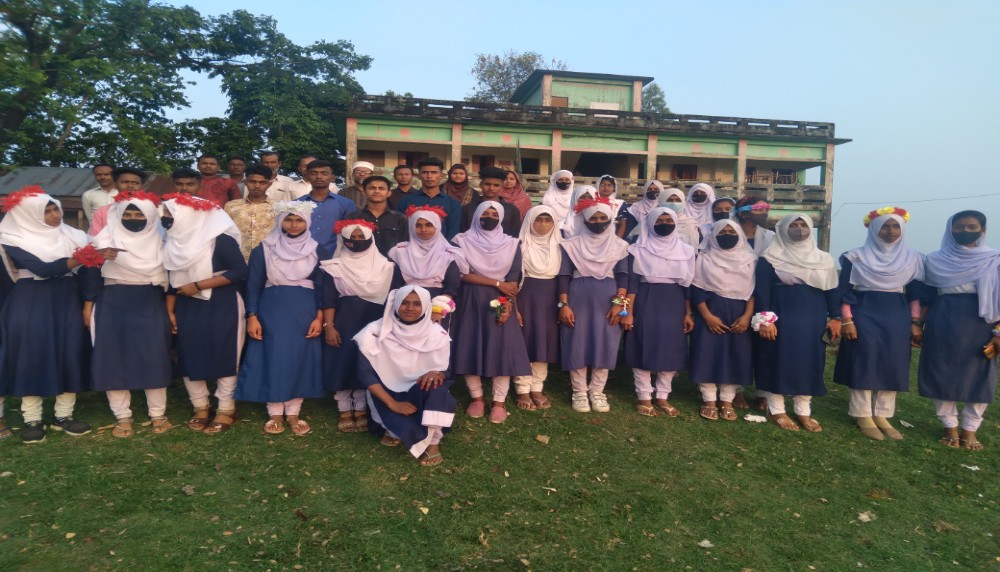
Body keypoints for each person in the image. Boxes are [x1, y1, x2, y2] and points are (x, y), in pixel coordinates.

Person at [0, 186, 97, 443]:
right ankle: (32, 418)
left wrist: (88, 302)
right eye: (47, 211)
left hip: (67, 297)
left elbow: (90, 271)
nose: (55, 215)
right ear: (27, 214)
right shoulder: (11, 237)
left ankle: (64, 415)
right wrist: (84, 257)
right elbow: (42, 269)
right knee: (31, 354)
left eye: (56, 209)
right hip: (30, 298)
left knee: (70, 350)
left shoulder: (74, 235)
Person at [834, 207, 924, 441]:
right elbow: (845, 292)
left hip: (897, 312)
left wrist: (915, 322)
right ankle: (862, 414)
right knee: (864, 360)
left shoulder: (913, 258)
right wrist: (847, 320)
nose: (890, 231)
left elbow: (915, 293)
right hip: (863, 310)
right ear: (874, 229)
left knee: (892, 362)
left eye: (895, 226)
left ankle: (882, 414)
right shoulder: (855, 257)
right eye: (884, 226)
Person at [161, 193, 248, 435]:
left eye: (170, 214)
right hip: (186, 303)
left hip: (223, 302)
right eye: (165, 214)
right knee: (189, 353)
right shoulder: (173, 242)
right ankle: (200, 406)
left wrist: (199, 285)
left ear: (188, 216)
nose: (166, 219)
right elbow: (171, 280)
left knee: (225, 353)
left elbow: (240, 271)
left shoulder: (220, 240)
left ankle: (226, 408)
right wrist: (170, 311)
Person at [237, 201, 324, 436]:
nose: (294, 225)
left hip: (305, 311)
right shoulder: (264, 249)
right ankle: (275, 411)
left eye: (299, 220)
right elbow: (253, 285)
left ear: (307, 222)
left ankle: (294, 411)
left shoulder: (318, 249)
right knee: (273, 356)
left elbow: (323, 287)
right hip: (272, 309)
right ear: (280, 221)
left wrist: (319, 318)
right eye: (289, 219)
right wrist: (252, 316)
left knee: (300, 357)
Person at [90, 191, 173, 437]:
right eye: (127, 214)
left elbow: (174, 274)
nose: (133, 219)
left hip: (150, 299)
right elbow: (87, 275)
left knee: (153, 355)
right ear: (118, 215)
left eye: (139, 214)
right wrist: (98, 257)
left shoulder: (164, 239)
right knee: (113, 357)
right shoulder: (104, 239)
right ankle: (122, 416)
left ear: (150, 216)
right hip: (113, 300)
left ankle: (158, 414)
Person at [919, 210, 1000, 450]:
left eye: (972, 227)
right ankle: (949, 426)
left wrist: (998, 332)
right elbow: (926, 297)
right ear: (950, 229)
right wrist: (917, 325)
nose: (965, 231)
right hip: (943, 320)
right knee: (941, 371)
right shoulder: (934, 260)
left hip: (982, 323)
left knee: (980, 375)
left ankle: (970, 428)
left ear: (982, 230)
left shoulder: (994, 259)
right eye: (960, 227)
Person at [754, 214, 841, 432]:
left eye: (803, 224)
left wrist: (836, 318)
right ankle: (776, 409)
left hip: (813, 318)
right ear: (783, 229)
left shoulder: (824, 259)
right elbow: (762, 291)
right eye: (793, 224)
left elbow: (832, 291)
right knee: (777, 359)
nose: (799, 229)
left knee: (809, 361)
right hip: (780, 316)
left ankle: (803, 410)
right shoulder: (770, 258)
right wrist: (766, 320)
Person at [355, 285, 456, 466]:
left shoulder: (436, 334)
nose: (410, 308)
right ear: (395, 304)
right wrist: (392, 404)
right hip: (386, 392)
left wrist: (437, 373)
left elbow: (446, 370)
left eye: (417, 304)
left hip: (419, 389)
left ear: (425, 306)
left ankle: (433, 443)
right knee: (397, 427)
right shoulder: (374, 331)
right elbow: (365, 373)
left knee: (437, 387)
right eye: (404, 302)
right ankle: (395, 430)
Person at [450, 201, 531, 423]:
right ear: (476, 216)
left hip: (502, 299)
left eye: (495, 214)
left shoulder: (511, 244)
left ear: (502, 218)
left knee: (502, 349)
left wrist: (508, 305)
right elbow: (460, 273)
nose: (489, 217)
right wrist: (496, 283)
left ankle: (499, 401)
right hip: (470, 299)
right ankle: (476, 398)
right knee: (470, 346)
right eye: (485, 213)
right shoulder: (461, 241)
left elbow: (512, 278)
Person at [320, 219, 403, 433]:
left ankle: (361, 406)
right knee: (342, 361)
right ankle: (344, 407)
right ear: (343, 239)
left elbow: (394, 298)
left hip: (374, 320)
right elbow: (329, 298)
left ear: (370, 239)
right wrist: (329, 326)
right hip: (344, 321)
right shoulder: (334, 267)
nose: (356, 241)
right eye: (352, 238)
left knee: (366, 360)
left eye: (361, 237)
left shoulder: (387, 267)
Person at [557, 197, 630, 413]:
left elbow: (623, 276)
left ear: (610, 220)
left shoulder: (620, 246)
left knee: (605, 342)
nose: (598, 222)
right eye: (593, 218)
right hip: (577, 297)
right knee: (577, 341)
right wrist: (564, 305)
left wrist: (619, 304)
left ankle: (597, 390)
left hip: (609, 300)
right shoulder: (571, 245)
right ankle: (579, 391)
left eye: (602, 218)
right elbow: (563, 276)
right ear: (585, 220)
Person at [623, 207, 696, 417]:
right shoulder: (637, 249)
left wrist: (688, 313)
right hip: (645, 299)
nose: (664, 224)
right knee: (642, 344)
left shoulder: (686, 251)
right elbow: (632, 284)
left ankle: (663, 395)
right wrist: (629, 312)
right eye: (659, 220)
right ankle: (644, 395)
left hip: (674, 302)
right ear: (650, 223)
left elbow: (688, 285)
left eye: (669, 220)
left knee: (671, 348)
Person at [689, 219, 756, 421]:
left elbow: (753, 292)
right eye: (722, 232)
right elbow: (696, 288)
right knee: (707, 354)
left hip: (739, 315)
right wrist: (707, 316)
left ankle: (727, 400)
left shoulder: (750, 260)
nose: (727, 235)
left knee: (735, 355)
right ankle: (709, 400)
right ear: (713, 235)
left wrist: (747, 316)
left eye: (732, 232)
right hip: (710, 313)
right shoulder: (703, 258)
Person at [513, 206, 561, 411]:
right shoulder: (520, 246)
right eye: (538, 220)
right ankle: (522, 387)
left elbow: (564, 278)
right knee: (525, 341)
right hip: (526, 297)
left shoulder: (560, 247)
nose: (542, 225)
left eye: (547, 220)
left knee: (544, 342)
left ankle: (537, 387)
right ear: (529, 222)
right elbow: (513, 278)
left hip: (550, 299)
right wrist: (514, 307)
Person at [387, 206, 461, 329]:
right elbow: (395, 285)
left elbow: (451, 287)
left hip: (436, 305)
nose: (423, 229)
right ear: (411, 227)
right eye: (418, 225)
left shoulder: (449, 253)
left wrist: (439, 309)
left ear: (437, 226)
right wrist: (400, 307)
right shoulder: (399, 252)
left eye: (429, 225)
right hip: (405, 305)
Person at [296, 160, 358, 258]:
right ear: (307, 176)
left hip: (336, 256)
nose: (319, 177)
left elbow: (352, 232)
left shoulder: (346, 204)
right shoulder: (297, 204)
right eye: (313, 173)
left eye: (324, 173)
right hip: (301, 256)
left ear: (332, 177)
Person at [397, 157, 462, 240]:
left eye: (434, 172)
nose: (429, 176)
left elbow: (453, 231)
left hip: (443, 247)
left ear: (441, 176)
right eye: (425, 172)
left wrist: (444, 247)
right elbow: (401, 230)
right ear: (419, 176)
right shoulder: (406, 201)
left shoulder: (453, 204)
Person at [224, 164, 277, 261]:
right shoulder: (231, 206)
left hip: (268, 260)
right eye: (252, 182)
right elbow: (225, 234)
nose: (257, 186)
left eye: (262, 182)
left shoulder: (279, 208)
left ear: (269, 184)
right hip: (237, 258)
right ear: (245, 182)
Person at [346, 175, 409, 256]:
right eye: (372, 188)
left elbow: (405, 245)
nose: (377, 191)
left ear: (389, 193)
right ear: (364, 192)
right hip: (362, 262)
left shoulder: (400, 218)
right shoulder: (353, 217)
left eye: (381, 188)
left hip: (392, 262)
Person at [460, 167, 521, 237]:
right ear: (480, 185)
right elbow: (463, 234)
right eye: (487, 184)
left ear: (502, 187)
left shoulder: (512, 210)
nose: (491, 188)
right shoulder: (468, 209)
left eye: (496, 185)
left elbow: (514, 236)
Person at [88, 166, 146, 236]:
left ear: (142, 187)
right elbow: (94, 238)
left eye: (135, 183)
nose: (130, 186)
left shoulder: (151, 210)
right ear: (115, 185)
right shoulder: (102, 212)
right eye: (125, 182)